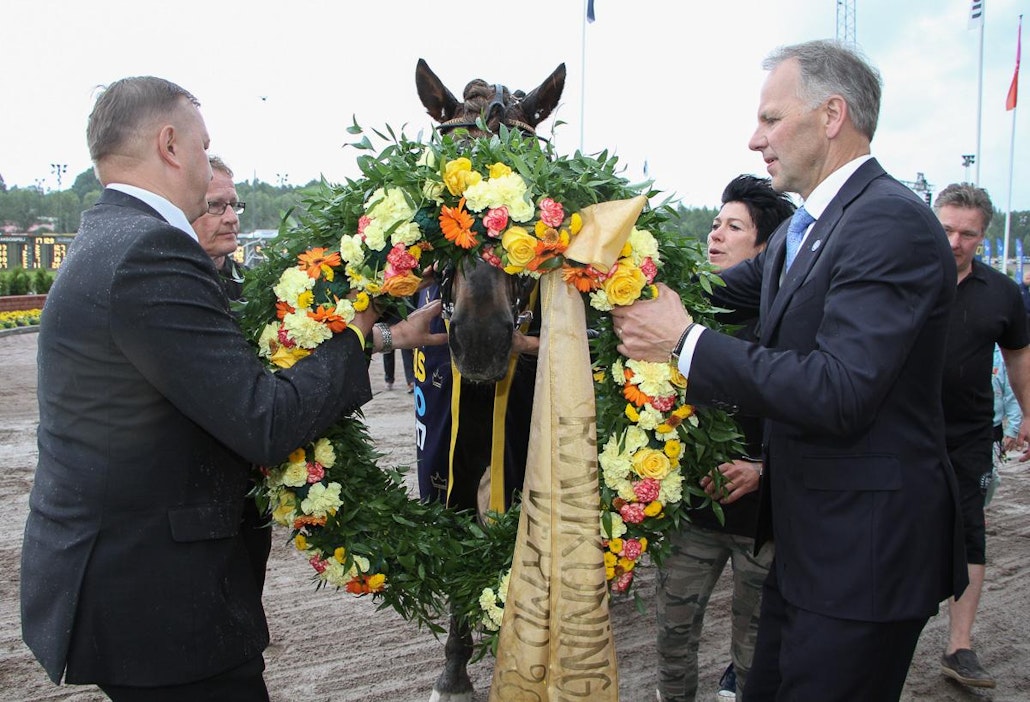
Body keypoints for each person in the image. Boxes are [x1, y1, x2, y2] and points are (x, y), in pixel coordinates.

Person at [20, 76, 446, 702]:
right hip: (161, 607)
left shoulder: (109, 234)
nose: (204, 159)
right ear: (169, 144)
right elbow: (262, 420)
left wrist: (381, 338)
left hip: (129, 584)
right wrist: (355, 335)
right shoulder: (150, 250)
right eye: (202, 143)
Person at [611, 40, 966, 700]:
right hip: (807, 550)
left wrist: (683, 344)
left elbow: (842, 389)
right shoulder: (808, 230)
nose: (755, 139)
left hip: (864, 557)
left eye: (771, 119)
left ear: (832, 115)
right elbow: (703, 286)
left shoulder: (890, 223)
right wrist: (575, 248)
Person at [655, 175, 794, 702]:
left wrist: (762, 469)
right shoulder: (678, 316)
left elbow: (816, 408)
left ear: (765, 250)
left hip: (764, 521)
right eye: (715, 224)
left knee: (756, 650)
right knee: (671, 637)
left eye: (733, 227)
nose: (715, 235)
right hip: (693, 514)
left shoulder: (786, 321)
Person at [933, 182, 1030, 689]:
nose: (954, 241)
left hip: (970, 436)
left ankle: (960, 647)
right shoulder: (901, 278)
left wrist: (1029, 414)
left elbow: (1018, 355)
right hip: (900, 434)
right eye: (946, 228)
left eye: (967, 233)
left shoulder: (1002, 292)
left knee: (970, 534)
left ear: (982, 236)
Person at [193, 155, 247, 303]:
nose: (232, 218)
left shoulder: (253, 286)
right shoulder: (165, 284)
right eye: (215, 204)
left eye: (234, 205)